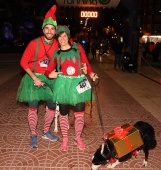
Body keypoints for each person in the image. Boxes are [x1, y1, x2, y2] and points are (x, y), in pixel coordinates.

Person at [45, 25, 98, 151]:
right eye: (60, 36)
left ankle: (77, 138)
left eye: (64, 36)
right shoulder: (56, 53)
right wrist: (50, 74)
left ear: (68, 37)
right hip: (63, 84)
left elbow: (86, 63)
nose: (62, 38)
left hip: (79, 82)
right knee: (63, 114)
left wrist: (91, 73)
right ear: (57, 38)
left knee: (79, 114)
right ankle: (65, 139)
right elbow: (48, 70)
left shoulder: (78, 48)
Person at [16, 5, 58, 148]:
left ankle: (46, 131)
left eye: (52, 28)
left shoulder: (57, 45)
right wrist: (34, 78)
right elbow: (23, 62)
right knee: (33, 106)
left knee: (52, 105)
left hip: (49, 79)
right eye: (47, 28)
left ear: (55, 31)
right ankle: (33, 134)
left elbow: (62, 61)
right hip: (33, 78)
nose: (49, 31)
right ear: (43, 29)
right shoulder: (34, 43)